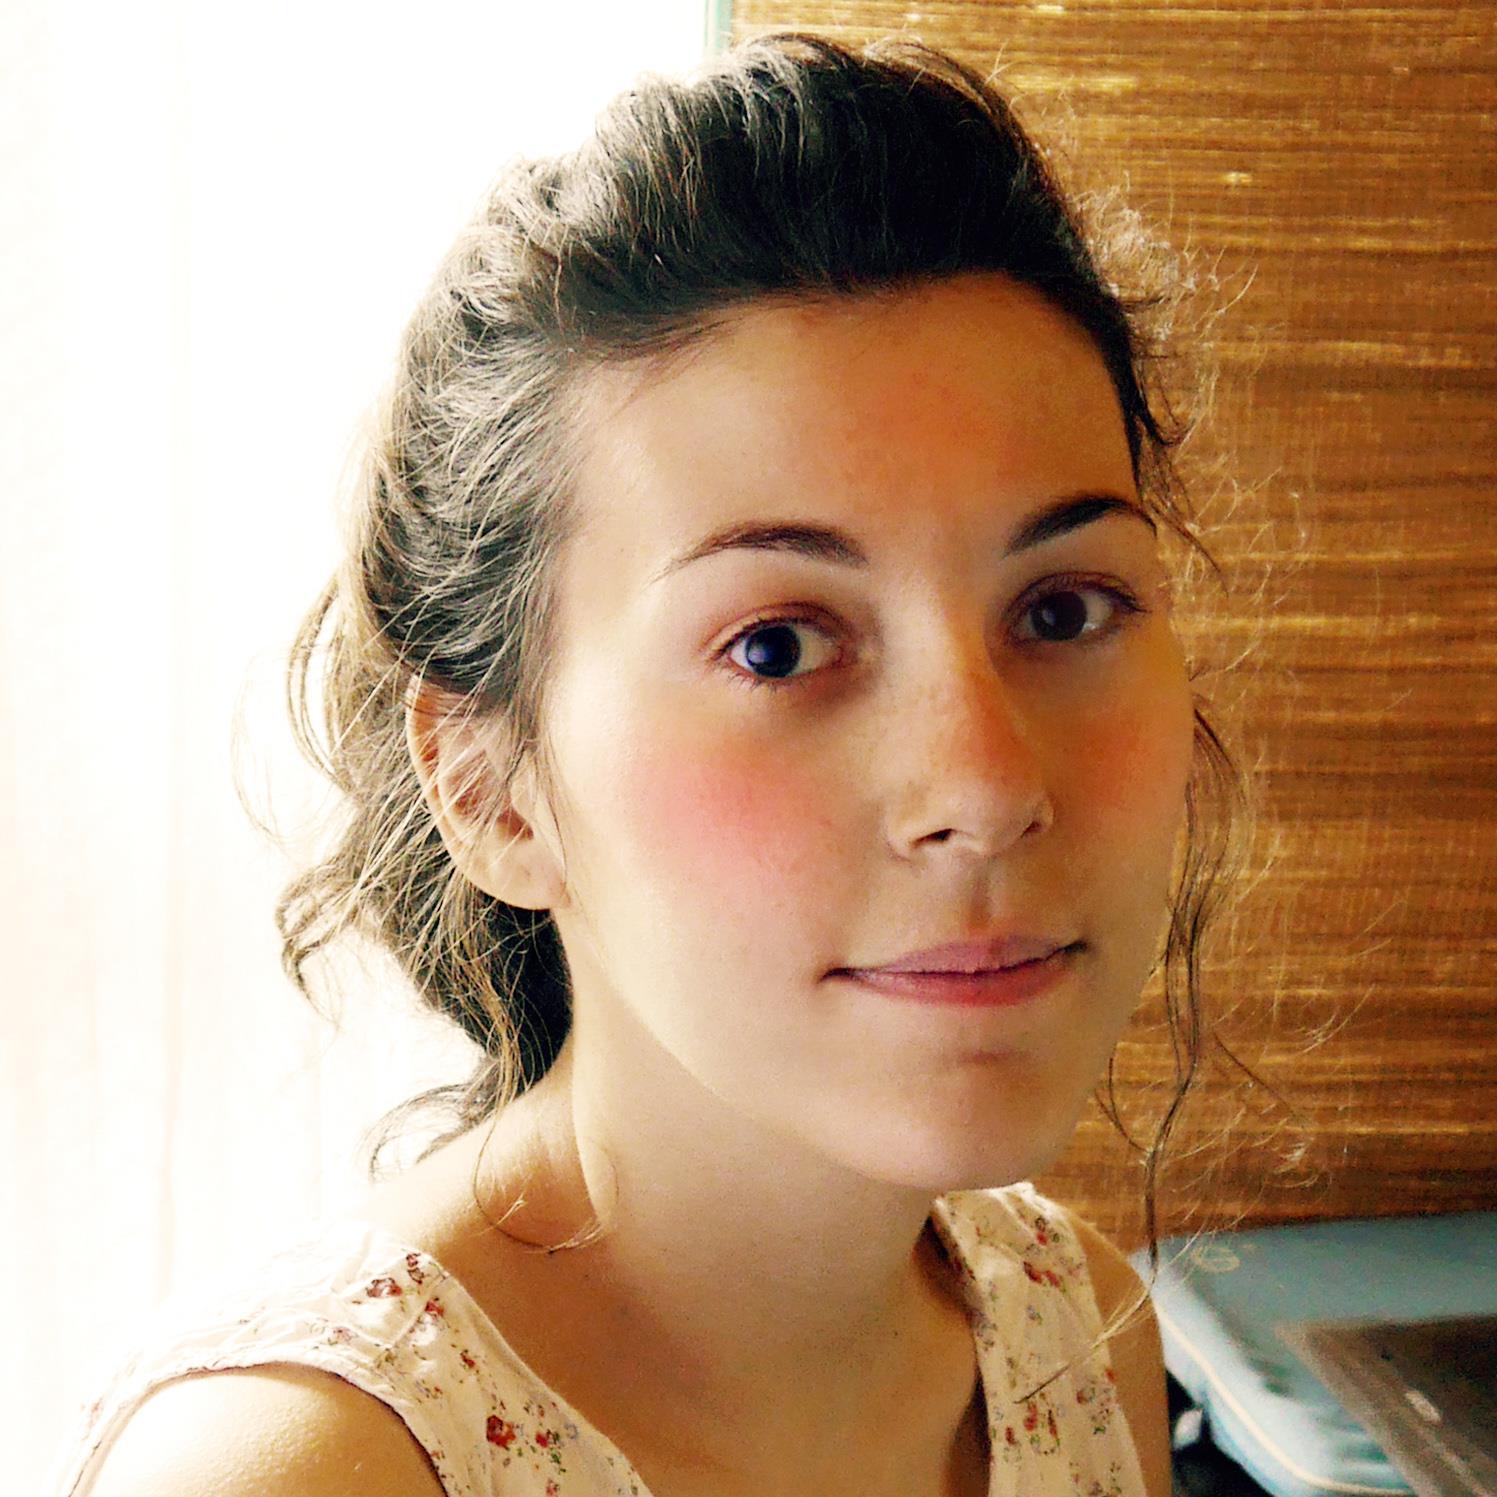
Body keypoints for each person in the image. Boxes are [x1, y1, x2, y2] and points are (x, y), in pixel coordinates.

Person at [55, 29, 1243, 1497]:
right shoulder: (297, 1471)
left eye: (1062, 610)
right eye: (777, 647)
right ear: (490, 787)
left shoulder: (1073, 1333)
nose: (985, 786)